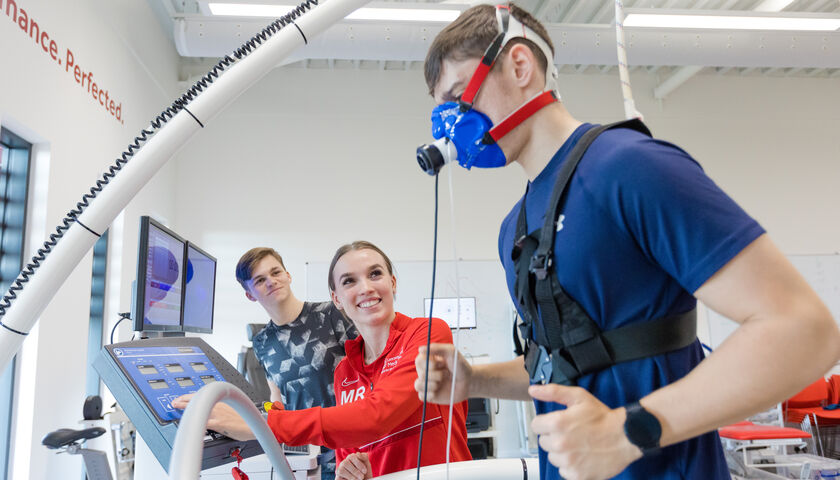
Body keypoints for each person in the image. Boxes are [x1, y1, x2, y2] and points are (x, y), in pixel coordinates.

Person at [413, 4, 840, 480]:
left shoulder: (628, 167)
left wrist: (627, 432)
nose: (452, 125)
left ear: (519, 66)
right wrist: (475, 381)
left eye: (458, 98)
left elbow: (804, 331)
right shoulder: (515, 227)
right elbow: (564, 363)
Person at [175, 241, 472, 479]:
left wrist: (263, 424)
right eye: (350, 281)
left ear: (393, 282)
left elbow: (376, 416)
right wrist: (349, 469)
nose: (366, 288)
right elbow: (350, 450)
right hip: (315, 450)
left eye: (375, 274)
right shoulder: (344, 371)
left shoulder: (428, 333)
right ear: (338, 297)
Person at [235, 247, 358, 479]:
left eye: (276, 272)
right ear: (250, 294)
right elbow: (277, 398)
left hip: (350, 451)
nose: (271, 282)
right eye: (260, 280)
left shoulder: (332, 314)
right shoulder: (262, 342)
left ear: (288, 275)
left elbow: (370, 377)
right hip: (305, 458)